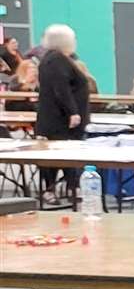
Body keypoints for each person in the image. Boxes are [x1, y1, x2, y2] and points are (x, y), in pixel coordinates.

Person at [33, 25, 90, 205]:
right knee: (58, 154)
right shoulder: (57, 60)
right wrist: (73, 112)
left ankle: (68, 187)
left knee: (61, 155)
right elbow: (61, 88)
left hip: (55, 118)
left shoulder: (53, 59)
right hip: (60, 120)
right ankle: (57, 189)